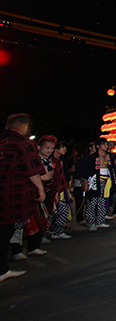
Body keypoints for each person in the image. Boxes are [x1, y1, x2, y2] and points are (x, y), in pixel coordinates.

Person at [0, 114, 46, 282]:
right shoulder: (23, 144)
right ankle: (2, 269)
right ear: (25, 127)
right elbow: (32, 170)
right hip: (13, 194)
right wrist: (40, 189)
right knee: (5, 231)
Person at [74, 138, 113, 231]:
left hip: (106, 180)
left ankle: (100, 220)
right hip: (95, 180)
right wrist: (85, 182)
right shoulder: (92, 157)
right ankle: (91, 222)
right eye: (104, 144)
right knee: (92, 201)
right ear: (98, 146)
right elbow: (85, 171)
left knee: (103, 200)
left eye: (106, 144)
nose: (106, 146)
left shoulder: (108, 156)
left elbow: (111, 169)